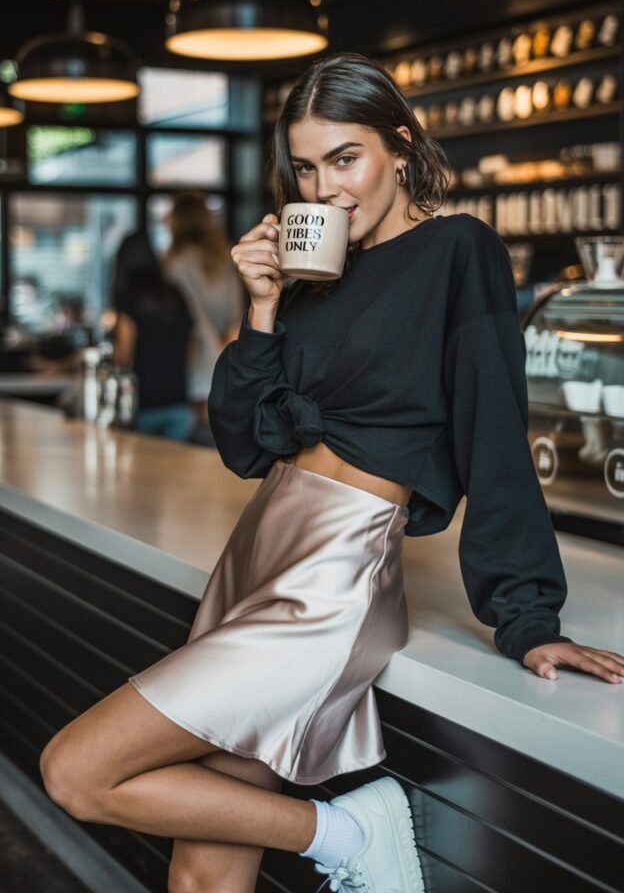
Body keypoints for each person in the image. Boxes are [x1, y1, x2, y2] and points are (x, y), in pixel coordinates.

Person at [38, 54, 624, 893]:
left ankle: (348, 834)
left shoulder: (458, 250)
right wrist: (261, 308)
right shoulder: (312, 275)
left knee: (76, 770)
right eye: (306, 168)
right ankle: (342, 836)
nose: (325, 189)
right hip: (256, 551)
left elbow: (495, 432)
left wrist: (529, 619)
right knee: (204, 868)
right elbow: (245, 447)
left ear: (401, 145)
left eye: (345, 159)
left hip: (335, 572)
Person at [164, 191, 245, 432]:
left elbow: (189, 317)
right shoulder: (225, 258)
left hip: (194, 358)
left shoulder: (174, 263)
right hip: (227, 353)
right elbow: (235, 312)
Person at [112, 231, 194, 441]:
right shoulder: (175, 293)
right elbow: (191, 343)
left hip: (144, 405)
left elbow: (123, 355)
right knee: (176, 462)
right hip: (178, 402)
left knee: (141, 463)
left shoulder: (129, 296)